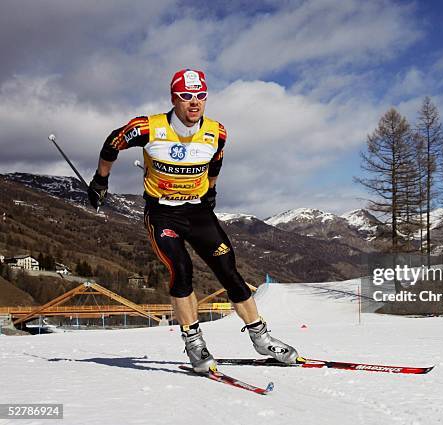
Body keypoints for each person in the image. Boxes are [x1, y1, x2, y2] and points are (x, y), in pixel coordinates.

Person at [88, 68, 298, 373]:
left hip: (198, 212)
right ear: (174, 98)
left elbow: (216, 160)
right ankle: (194, 343)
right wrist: (100, 180)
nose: (194, 102)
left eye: (200, 96)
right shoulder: (148, 127)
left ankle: (261, 338)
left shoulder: (217, 132)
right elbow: (112, 142)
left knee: (230, 272)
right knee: (181, 269)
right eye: (186, 97)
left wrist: (211, 191)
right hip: (163, 213)